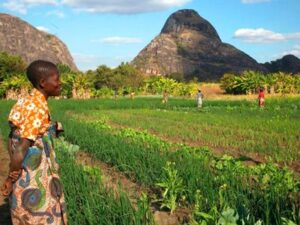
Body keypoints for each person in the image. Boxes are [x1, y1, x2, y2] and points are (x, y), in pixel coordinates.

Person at [0, 60, 67, 225]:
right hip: (33, 166)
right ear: (43, 83)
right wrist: (10, 177)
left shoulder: (27, 100)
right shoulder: (37, 108)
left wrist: (51, 127)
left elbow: (14, 134)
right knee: (40, 206)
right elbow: (22, 146)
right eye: (57, 79)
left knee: (23, 201)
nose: (60, 83)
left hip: (25, 162)